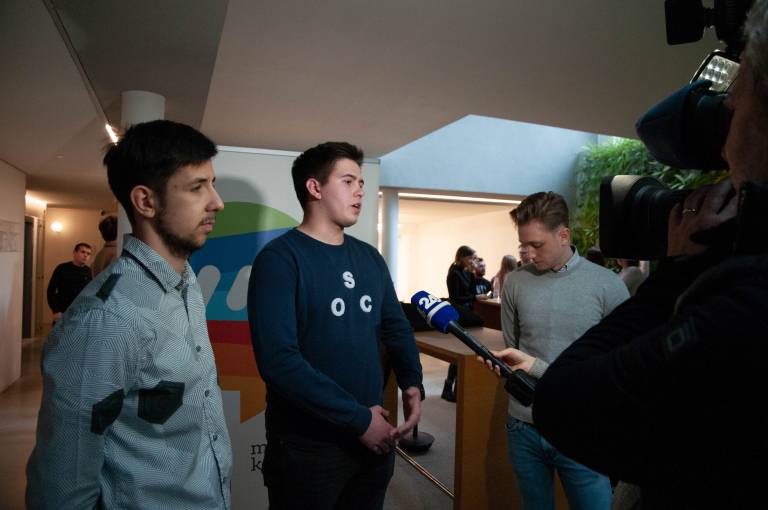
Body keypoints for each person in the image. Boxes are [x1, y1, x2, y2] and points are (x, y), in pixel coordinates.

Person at [529, 3, 768, 507]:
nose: (728, 106)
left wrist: (679, 268)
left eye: (740, 91)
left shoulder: (746, 305)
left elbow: (566, 402)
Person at [26, 120, 233, 509]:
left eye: (212, 183)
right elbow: (63, 487)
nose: (217, 202)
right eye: (197, 187)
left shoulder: (186, 284)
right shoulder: (104, 320)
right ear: (145, 201)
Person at [248, 142, 423, 510]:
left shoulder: (369, 257)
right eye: (348, 181)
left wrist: (412, 382)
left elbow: (395, 327)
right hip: (308, 447)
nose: (359, 190)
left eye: (361, 182)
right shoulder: (279, 260)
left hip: (374, 438)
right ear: (315, 188)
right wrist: (359, 420)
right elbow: (279, 361)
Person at [499, 191, 629, 510]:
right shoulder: (515, 282)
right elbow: (512, 346)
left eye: (537, 244)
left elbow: (620, 364)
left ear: (563, 235)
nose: (528, 254)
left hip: (583, 426)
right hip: (524, 425)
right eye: (523, 245)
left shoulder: (608, 285)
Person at [443, 245, 488, 401]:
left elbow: (472, 292)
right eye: (471, 258)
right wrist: (474, 298)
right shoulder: (454, 273)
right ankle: (448, 386)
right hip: (458, 314)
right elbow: (455, 298)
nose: (474, 261)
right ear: (462, 257)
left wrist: (473, 272)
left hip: (469, 314)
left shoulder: (467, 272)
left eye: (475, 258)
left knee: (466, 350)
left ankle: (458, 388)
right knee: (459, 351)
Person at [46, 242, 93, 323]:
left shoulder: (89, 271)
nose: (85, 255)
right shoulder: (62, 268)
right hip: (63, 311)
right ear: (74, 252)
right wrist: (55, 310)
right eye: (83, 252)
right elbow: (51, 290)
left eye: (88, 254)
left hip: (81, 312)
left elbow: (91, 292)